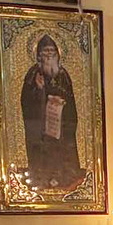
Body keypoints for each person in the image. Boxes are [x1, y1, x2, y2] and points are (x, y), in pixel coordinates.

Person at [21, 34, 85, 190]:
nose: (49, 54)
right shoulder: (33, 74)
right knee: (42, 152)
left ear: (57, 53)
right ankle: (41, 179)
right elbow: (26, 100)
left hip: (60, 124)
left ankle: (63, 178)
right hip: (40, 126)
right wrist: (38, 90)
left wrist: (60, 102)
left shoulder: (63, 74)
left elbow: (70, 99)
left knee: (61, 151)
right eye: (45, 51)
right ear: (39, 54)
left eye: (51, 50)